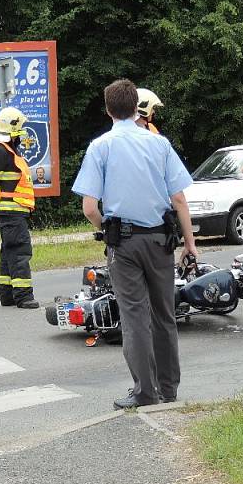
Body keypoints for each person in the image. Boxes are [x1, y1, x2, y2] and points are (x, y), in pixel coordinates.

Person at [73, 79, 197, 409]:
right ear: (137, 108)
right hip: (161, 240)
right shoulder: (160, 145)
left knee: (134, 318)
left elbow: (89, 207)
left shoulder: (100, 147)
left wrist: (105, 230)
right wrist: (190, 243)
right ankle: (169, 389)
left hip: (124, 244)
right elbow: (180, 198)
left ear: (109, 109)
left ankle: (145, 392)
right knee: (164, 316)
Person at [0, 106, 39, 309]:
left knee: (8, 252)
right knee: (20, 251)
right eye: (20, 128)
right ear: (12, 128)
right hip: (11, 211)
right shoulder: (1, 150)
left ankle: (7, 296)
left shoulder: (6, 150)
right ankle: (23, 296)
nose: (22, 133)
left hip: (14, 211)